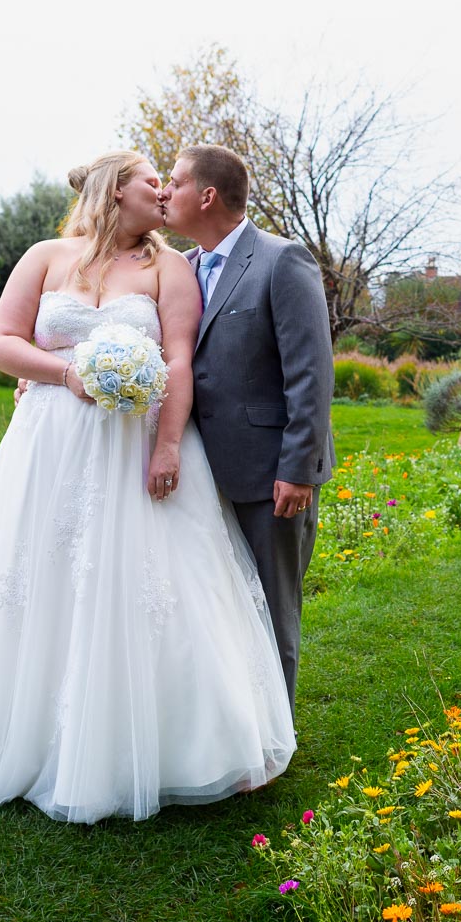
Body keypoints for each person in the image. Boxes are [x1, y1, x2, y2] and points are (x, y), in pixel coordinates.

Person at [0, 150, 295, 824]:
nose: (164, 191)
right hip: (48, 447)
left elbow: (179, 360)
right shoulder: (45, 257)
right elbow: (0, 343)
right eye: (154, 181)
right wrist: (63, 374)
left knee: (149, 587)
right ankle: (32, 743)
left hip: (135, 445)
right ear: (117, 190)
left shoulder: (169, 268)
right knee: (41, 582)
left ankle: (178, 746)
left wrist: (169, 445)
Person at [157, 144, 335, 710]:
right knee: (217, 610)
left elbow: (311, 373)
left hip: (268, 475)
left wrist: (298, 469)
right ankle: (229, 730)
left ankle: (273, 743)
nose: (164, 192)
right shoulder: (180, 268)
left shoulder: (283, 260)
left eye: (176, 182)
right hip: (199, 473)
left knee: (269, 607)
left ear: (207, 195)